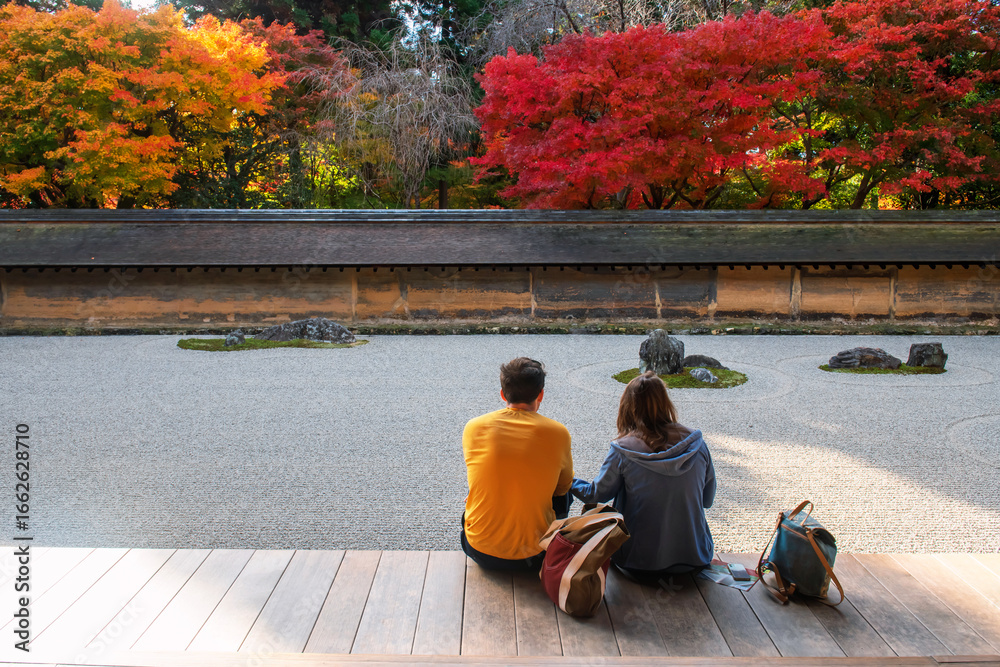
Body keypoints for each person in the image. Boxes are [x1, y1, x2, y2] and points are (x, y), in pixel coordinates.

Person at [571, 371, 715, 582]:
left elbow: (595, 495)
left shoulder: (623, 451)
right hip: (694, 561)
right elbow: (707, 501)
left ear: (628, 407)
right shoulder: (697, 445)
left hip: (638, 565)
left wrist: (567, 480)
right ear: (666, 403)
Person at [461, 357, 574, 571]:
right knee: (564, 493)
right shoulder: (558, 433)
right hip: (534, 557)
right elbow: (564, 487)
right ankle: (549, 538)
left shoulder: (473, 427)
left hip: (478, 549)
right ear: (540, 394)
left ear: (503, 394)